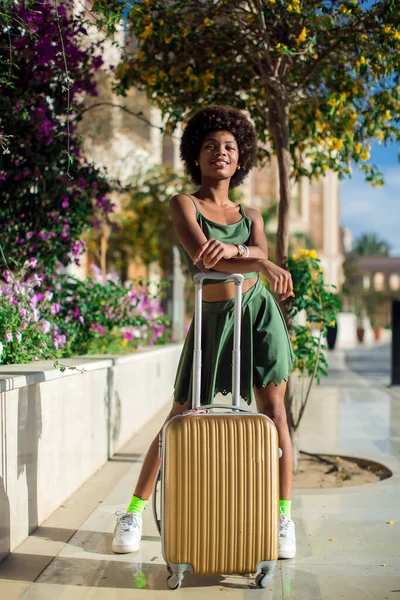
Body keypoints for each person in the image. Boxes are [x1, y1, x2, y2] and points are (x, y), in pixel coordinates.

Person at [112, 105, 296, 560]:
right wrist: (256, 258)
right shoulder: (184, 204)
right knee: (180, 415)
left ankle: (283, 517)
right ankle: (134, 511)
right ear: (196, 155)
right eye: (211, 146)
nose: (221, 153)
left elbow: (250, 253)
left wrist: (246, 251)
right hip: (212, 319)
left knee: (275, 416)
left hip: (257, 314)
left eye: (230, 148)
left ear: (241, 159)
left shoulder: (251, 213)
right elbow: (205, 259)